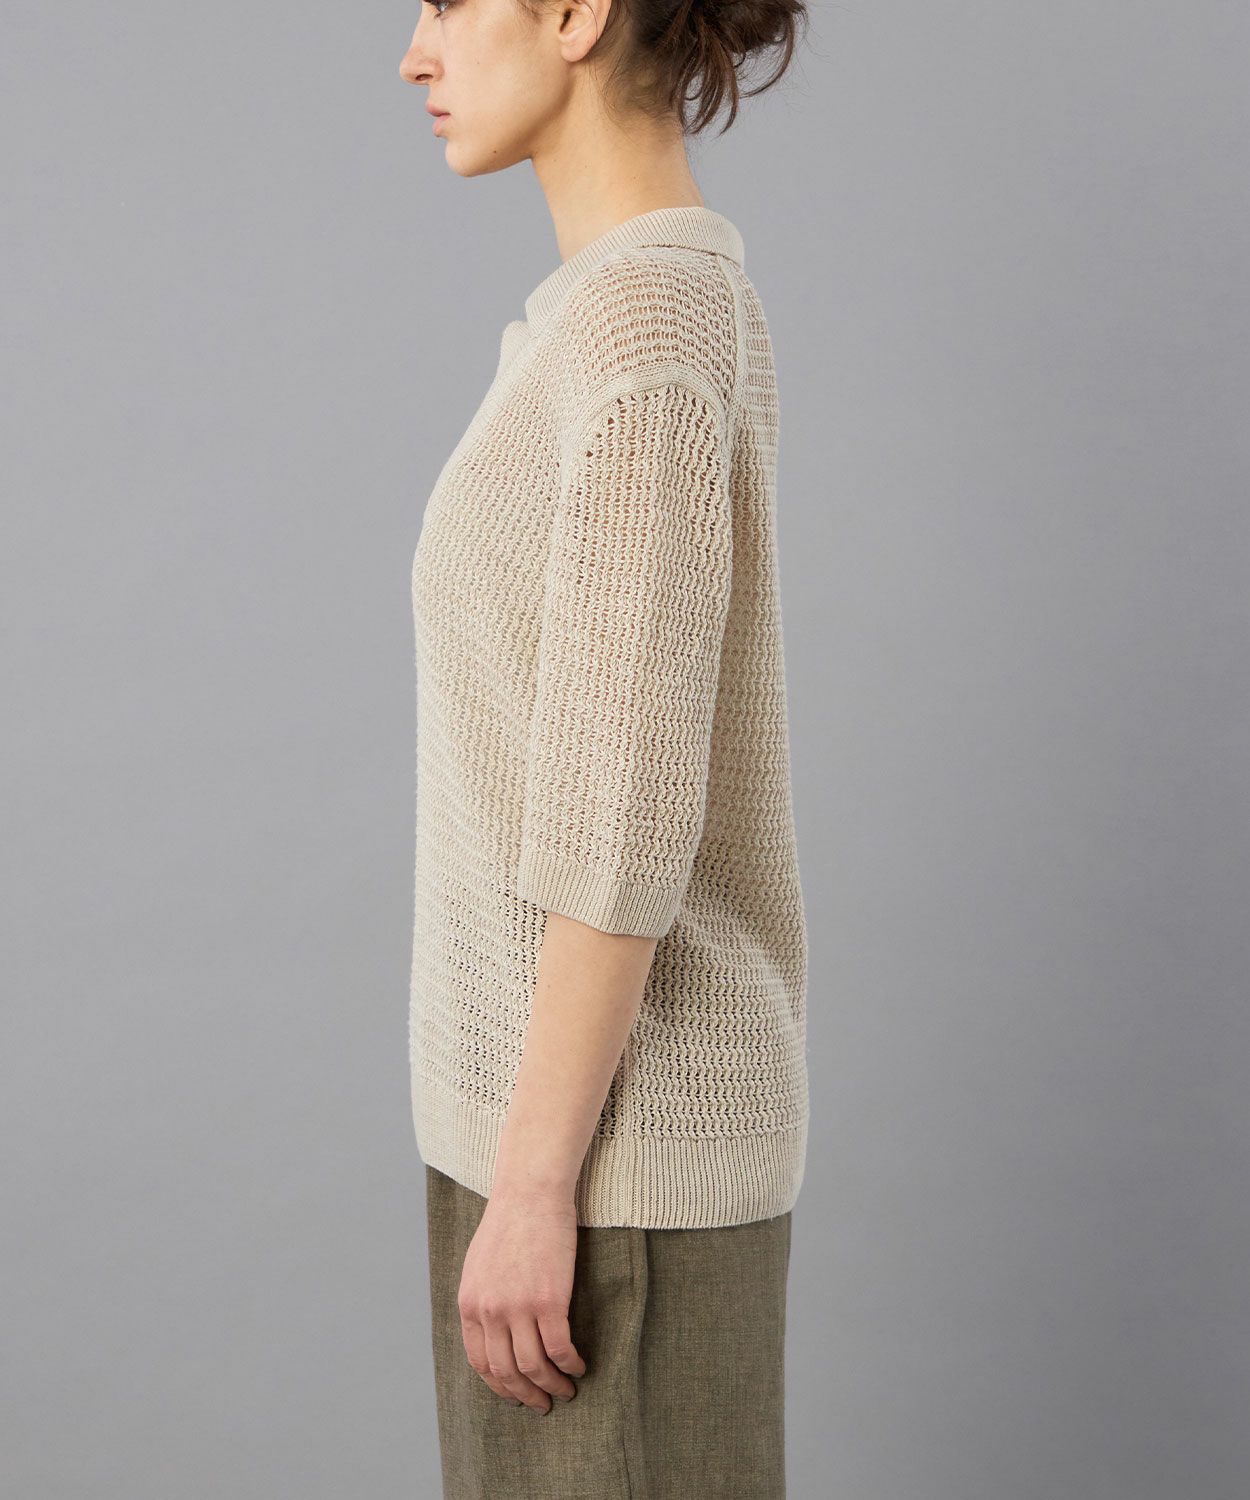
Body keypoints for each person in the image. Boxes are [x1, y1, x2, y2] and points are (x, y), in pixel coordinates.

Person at [399, 2, 811, 1494]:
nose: (414, 53)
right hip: (547, 1145)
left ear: (575, 11)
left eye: (447, 1)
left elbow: (621, 816)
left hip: (603, 1179)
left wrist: (533, 1189)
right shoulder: (599, 319)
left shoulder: (647, 334)